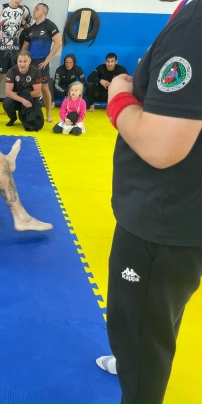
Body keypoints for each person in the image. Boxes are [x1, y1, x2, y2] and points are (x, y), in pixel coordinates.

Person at [96, 1, 202, 404]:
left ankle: (137, 369)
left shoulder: (195, 25)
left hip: (162, 218)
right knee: (152, 321)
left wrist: (119, 98)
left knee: (140, 334)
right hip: (177, 212)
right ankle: (134, 360)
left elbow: (161, 145)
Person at [0, 0, 34, 117]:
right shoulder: (1, 8)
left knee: (13, 81)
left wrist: (22, 29)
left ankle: (8, 107)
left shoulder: (23, 9)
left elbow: (32, 21)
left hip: (15, 50)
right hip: (1, 50)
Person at [22, 3, 62, 123]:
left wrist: (47, 60)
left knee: (44, 88)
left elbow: (59, 42)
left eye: (37, 9)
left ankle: (48, 113)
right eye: (34, 8)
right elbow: (25, 46)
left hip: (42, 62)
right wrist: (23, 61)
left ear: (43, 13)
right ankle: (29, 112)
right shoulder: (31, 28)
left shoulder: (49, 25)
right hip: (31, 62)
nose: (34, 11)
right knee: (29, 88)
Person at [3, 50, 44, 131]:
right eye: (20, 61)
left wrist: (22, 96)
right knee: (7, 102)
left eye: (25, 61)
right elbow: (8, 92)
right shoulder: (11, 71)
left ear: (29, 61)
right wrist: (22, 100)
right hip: (17, 99)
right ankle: (13, 118)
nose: (22, 64)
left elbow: (37, 93)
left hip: (30, 100)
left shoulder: (36, 71)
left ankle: (24, 117)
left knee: (37, 125)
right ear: (17, 61)